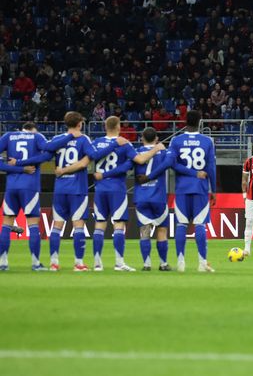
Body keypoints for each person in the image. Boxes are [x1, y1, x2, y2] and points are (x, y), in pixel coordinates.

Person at [14, 112, 125, 271]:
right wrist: (114, 145)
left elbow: (44, 155)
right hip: (77, 189)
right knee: (78, 225)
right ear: (80, 123)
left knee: (57, 226)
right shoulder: (84, 139)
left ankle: (54, 262)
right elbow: (94, 155)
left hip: (60, 188)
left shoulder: (58, 140)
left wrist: (20, 163)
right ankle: (79, 263)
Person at [83, 117, 164, 271]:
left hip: (100, 188)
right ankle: (119, 263)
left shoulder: (97, 142)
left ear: (105, 126)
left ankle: (97, 263)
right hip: (117, 188)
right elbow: (140, 160)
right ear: (118, 126)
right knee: (119, 224)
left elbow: (91, 158)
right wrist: (156, 149)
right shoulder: (125, 143)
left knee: (100, 224)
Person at [0, 123, 72, 271]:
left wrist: (17, 167)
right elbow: (49, 151)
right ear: (33, 129)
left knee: (6, 224)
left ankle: (3, 263)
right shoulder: (36, 137)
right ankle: (35, 263)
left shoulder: (8, 136)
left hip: (11, 187)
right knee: (33, 224)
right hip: (30, 187)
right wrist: (71, 135)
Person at [135, 127, 200, 271]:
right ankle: (163, 263)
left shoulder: (136, 153)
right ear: (157, 138)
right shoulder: (164, 153)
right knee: (162, 230)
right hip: (158, 196)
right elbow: (174, 165)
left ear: (142, 138)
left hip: (141, 196)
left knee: (144, 231)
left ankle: (146, 264)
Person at [167, 110, 217, 272]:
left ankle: (181, 262)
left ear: (185, 121)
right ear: (199, 122)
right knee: (200, 225)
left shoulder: (176, 140)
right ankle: (202, 263)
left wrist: (189, 173)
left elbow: (172, 164)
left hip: (182, 188)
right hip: (201, 188)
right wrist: (214, 189)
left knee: (181, 224)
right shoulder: (207, 141)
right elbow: (211, 168)